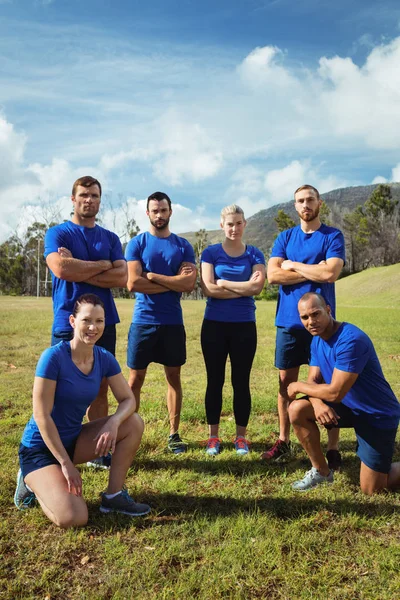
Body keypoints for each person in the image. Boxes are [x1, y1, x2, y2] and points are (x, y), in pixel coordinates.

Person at [14, 294, 151, 526]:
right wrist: (66, 465)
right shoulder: (53, 358)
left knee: (133, 422)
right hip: (41, 448)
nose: (93, 327)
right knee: (74, 517)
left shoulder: (103, 358)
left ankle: (113, 496)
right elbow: (41, 415)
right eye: (86, 320)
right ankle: (29, 482)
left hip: (74, 441)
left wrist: (112, 422)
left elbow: (128, 400)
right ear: (72, 322)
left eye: (99, 321)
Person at [45, 176, 127, 468]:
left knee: (100, 386)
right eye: (83, 195)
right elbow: (61, 268)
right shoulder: (59, 233)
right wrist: (104, 265)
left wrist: (80, 266)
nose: (89, 200)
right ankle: (53, 452)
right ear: (73, 198)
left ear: (99, 200)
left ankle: (99, 450)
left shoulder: (110, 238)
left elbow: (122, 277)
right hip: (68, 321)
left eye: (94, 195)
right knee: (60, 389)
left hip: (105, 322)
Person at [263, 184, 345, 466]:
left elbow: (330, 272)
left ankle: (333, 447)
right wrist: (313, 270)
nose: (305, 204)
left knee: (326, 379)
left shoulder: (332, 235)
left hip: (322, 324)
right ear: (295, 206)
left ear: (319, 203)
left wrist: (293, 265)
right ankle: (284, 440)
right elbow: (273, 276)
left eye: (310, 199)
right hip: (288, 322)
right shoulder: (284, 237)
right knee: (286, 382)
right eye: (300, 201)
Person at [287, 292, 400, 494]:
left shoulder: (351, 339)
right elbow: (314, 381)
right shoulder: (317, 339)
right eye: (305, 317)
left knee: (372, 489)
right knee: (297, 409)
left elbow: (335, 393)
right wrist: (318, 403)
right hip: (346, 406)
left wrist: (297, 386)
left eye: (316, 314)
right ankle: (322, 472)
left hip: (375, 414)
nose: (311, 321)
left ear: (328, 310)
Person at [125, 191, 196, 454]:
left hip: (172, 323)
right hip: (143, 321)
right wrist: (172, 282)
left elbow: (189, 283)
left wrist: (152, 276)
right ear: (148, 213)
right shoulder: (137, 243)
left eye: (163, 210)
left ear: (170, 212)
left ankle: (174, 434)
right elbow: (133, 283)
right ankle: (127, 431)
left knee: (173, 378)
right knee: (135, 380)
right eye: (154, 211)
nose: (159, 215)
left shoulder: (182, 245)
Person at [200, 205, 266, 455]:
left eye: (238, 223)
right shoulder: (210, 253)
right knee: (214, 381)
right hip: (214, 326)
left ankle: (241, 438)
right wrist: (244, 285)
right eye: (230, 224)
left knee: (241, 382)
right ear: (221, 225)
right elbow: (209, 289)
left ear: (245, 224)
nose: (234, 228)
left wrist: (226, 282)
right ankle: (213, 438)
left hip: (244, 327)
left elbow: (257, 289)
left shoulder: (255, 254)